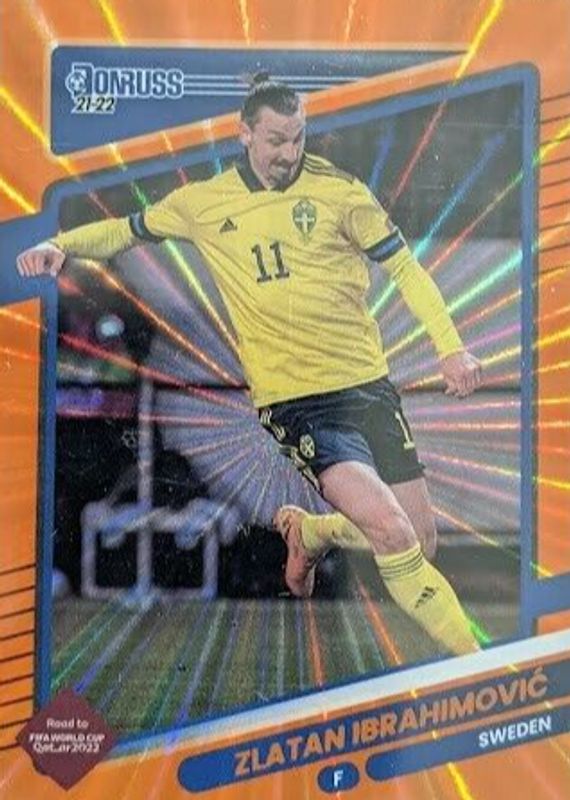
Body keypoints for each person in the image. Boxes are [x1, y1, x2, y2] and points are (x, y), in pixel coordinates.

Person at [17, 72, 483, 656]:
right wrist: (62, 245)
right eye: (276, 141)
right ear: (244, 134)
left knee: (422, 539)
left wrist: (450, 346)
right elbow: (126, 231)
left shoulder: (342, 192)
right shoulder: (204, 203)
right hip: (299, 403)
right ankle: (481, 669)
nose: (289, 153)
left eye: (298, 138)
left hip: (368, 388)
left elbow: (406, 271)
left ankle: (311, 531)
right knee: (391, 531)